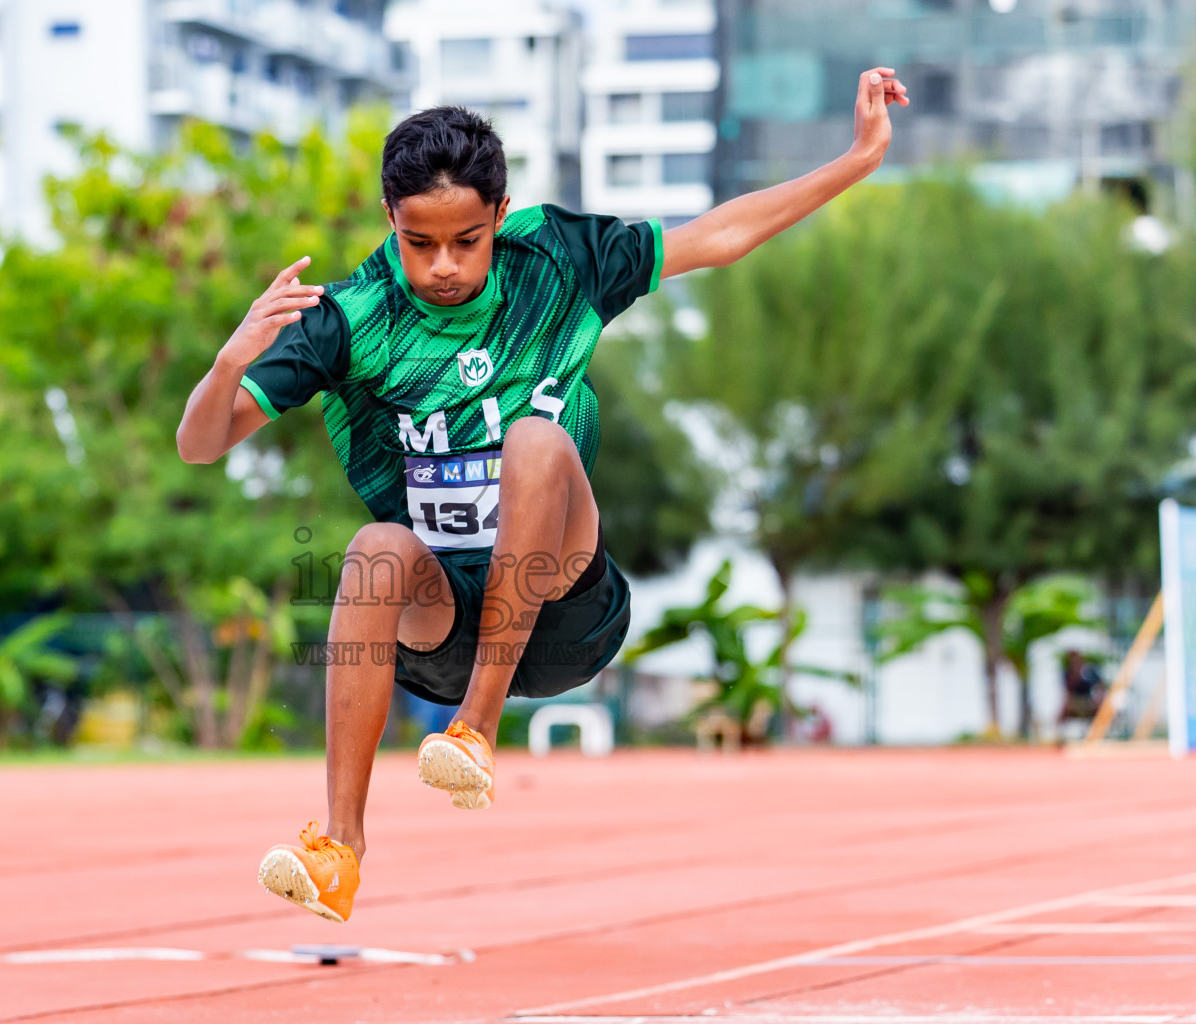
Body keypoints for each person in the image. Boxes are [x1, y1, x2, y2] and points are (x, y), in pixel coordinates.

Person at [177, 70, 909, 922]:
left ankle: (477, 732)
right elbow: (201, 444)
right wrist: (232, 358)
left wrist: (856, 160)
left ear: (501, 213)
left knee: (534, 438)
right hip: (440, 623)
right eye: (421, 244)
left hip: (564, 613)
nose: (444, 267)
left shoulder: (557, 259)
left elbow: (720, 234)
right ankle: (340, 847)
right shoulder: (351, 317)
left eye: (467, 240)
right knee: (373, 551)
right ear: (390, 220)